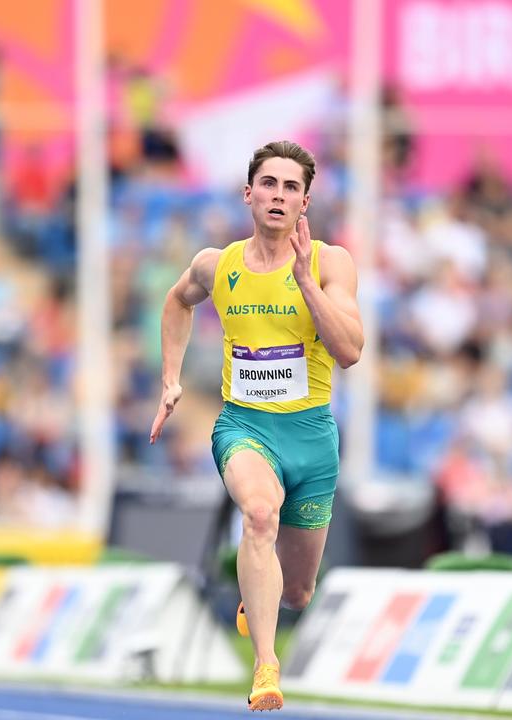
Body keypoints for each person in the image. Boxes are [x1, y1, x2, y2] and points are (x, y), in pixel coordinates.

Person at [149, 140, 362, 711]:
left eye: (291, 187)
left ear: (305, 203)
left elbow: (350, 351)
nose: (278, 195)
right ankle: (266, 667)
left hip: (312, 436)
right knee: (259, 513)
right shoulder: (217, 265)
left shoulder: (330, 262)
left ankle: (259, 597)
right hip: (245, 426)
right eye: (269, 184)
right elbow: (177, 302)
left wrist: (305, 280)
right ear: (249, 194)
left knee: (298, 590)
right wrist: (171, 379)